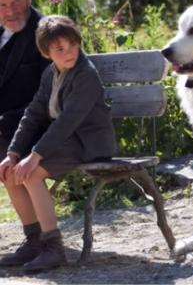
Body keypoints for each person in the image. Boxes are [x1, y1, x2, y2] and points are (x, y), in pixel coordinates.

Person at [0, 15, 116, 271]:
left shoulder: (86, 75)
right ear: (46, 53)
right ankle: (33, 241)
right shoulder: (50, 73)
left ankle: (54, 248)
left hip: (89, 142)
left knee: (31, 174)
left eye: (72, 45)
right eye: (59, 49)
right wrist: (14, 152)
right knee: (11, 172)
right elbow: (33, 113)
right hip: (67, 140)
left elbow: (68, 121)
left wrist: (36, 155)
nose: (68, 53)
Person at [0, 0, 49, 266]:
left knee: (6, 157)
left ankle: (38, 240)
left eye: (16, 1)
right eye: (2, 4)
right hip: (7, 125)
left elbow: (48, 97)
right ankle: (35, 239)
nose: (10, 10)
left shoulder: (44, 32)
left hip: (39, 124)